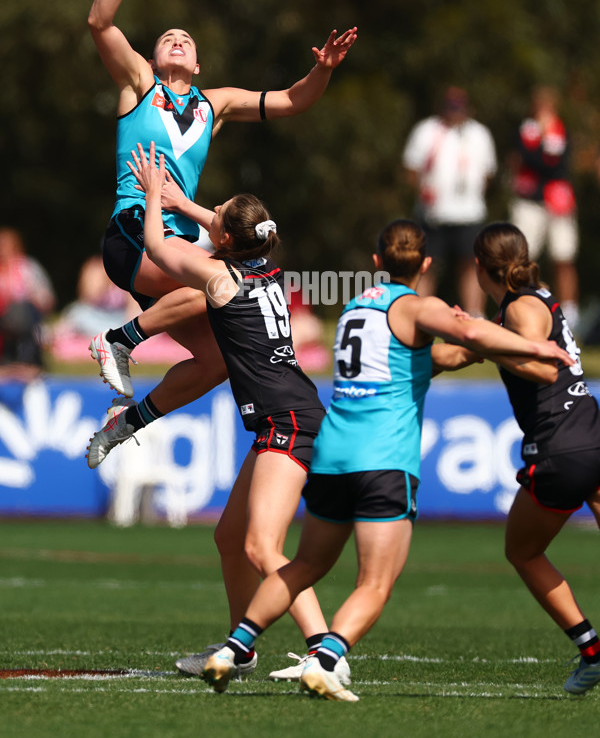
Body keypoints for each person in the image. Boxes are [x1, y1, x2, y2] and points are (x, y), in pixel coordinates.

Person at [198, 219, 574, 701]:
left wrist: (469, 350)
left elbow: (435, 356)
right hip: (383, 457)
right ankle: (326, 658)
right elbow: (466, 332)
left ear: (377, 263)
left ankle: (232, 649)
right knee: (375, 583)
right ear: (426, 265)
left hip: (332, 454)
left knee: (303, 566)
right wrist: (531, 345)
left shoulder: (355, 307)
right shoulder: (417, 307)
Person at [87, 141, 351, 686]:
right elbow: (231, 227)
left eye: (217, 220)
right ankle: (245, 649)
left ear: (224, 240)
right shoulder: (264, 267)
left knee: (261, 545)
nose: (212, 222)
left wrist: (156, 199)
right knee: (230, 538)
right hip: (288, 416)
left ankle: (324, 652)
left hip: (288, 422)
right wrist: (188, 205)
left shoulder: (218, 279)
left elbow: (157, 247)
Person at [87, 0, 357, 433]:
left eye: (186, 38)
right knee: (220, 278)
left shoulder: (217, 105)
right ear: (155, 55)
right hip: (134, 233)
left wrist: (320, 70)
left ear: (200, 66)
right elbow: (100, 22)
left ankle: (126, 425)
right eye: (167, 36)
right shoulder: (140, 85)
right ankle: (116, 341)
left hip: (179, 243)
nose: (176, 39)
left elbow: (293, 102)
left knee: (216, 363)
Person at [473, 222, 600, 696]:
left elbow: (544, 367)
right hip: (591, 429)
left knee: (522, 550)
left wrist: (485, 343)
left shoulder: (521, 308)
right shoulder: (539, 296)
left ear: (479, 267)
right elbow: (478, 350)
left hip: (559, 444)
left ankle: (590, 650)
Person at [402, 86, 497, 317]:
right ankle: (419, 313)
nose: (455, 112)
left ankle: (474, 314)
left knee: (471, 265)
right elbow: (411, 168)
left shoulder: (479, 133)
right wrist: (422, 191)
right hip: (433, 213)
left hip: (469, 212)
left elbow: (488, 172)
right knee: (426, 265)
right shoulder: (426, 130)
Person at [509, 86, 579, 329]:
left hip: (557, 200)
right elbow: (528, 159)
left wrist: (542, 150)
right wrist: (541, 148)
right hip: (530, 199)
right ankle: (521, 301)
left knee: (563, 255)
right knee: (524, 255)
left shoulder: (561, 131)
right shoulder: (525, 130)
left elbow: (559, 165)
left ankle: (570, 311)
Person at [0, 227, 56, 378]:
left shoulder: (29, 268)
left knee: (21, 311)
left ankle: (26, 361)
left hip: (26, 315)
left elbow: (47, 300)